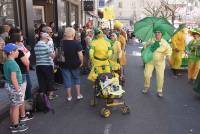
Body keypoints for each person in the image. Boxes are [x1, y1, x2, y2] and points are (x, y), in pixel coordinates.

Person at [3, 43, 29, 132]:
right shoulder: (13, 64)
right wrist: (18, 90)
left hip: (9, 86)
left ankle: (14, 122)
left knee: (13, 105)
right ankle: (15, 126)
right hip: (14, 87)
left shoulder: (6, 62)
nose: (18, 52)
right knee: (16, 106)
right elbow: (14, 79)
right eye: (17, 50)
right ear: (11, 52)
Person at [142, 27, 172, 97]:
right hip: (150, 61)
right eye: (156, 32)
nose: (157, 34)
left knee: (160, 77)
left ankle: (159, 90)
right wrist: (148, 45)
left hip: (160, 62)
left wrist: (170, 61)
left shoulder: (165, 43)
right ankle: (146, 87)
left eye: (159, 32)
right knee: (147, 75)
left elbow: (168, 53)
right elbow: (145, 46)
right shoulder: (151, 40)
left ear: (162, 34)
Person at [11, 34, 33, 122]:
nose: (23, 42)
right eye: (21, 41)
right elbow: (26, 63)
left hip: (15, 75)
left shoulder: (9, 51)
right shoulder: (18, 51)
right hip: (21, 74)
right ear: (16, 42)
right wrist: (27, 55)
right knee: (21, 97)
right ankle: (22, 116)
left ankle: (15, 119)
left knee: (14, 100)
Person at [61, 27, 83, 101]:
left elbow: (60, 53)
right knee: (76, 78)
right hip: (75, 63)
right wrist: (82, 62)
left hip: (64, 64)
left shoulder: (62, 43)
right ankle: (78, 95)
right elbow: (80, 55)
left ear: (65, 34)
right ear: (73, 34)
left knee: (67, 80)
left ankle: (69, 96)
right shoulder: (77, 43)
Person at [34, 33, 56, 100]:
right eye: (48, 39)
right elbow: (52, 56)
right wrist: (54, 53)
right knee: (49, 80)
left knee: (41, 80)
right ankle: (50, 95)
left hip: (38, 65)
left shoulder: (36, 45)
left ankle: (43, 96)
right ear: (46, 38)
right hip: (47, 65)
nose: (48, 40)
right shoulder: (46, 46)